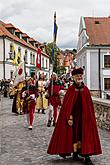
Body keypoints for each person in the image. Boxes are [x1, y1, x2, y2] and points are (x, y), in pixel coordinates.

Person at [47, 67, 102, 165]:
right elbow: (67, 106)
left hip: (84, 118)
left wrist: (90, 118)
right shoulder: (71, 90)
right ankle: (75, 152)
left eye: (80, 76)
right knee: (73, 135)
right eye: (77, 76)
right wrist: (69, 117)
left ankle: (87, 156)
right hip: (73, 117)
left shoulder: (85, 90)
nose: (79, 77)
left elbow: (89, 106)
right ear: (73, 77)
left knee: (85, 135)